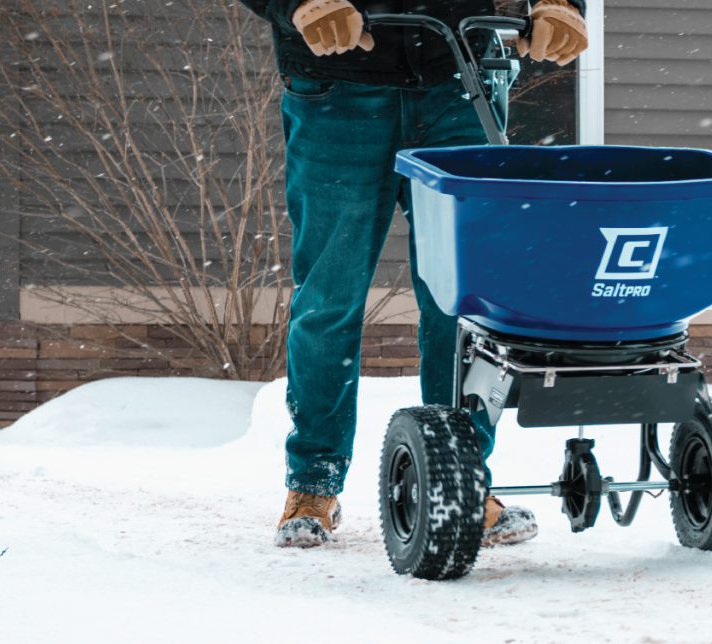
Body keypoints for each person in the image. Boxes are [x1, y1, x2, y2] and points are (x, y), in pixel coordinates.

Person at [235, 0, 589, 548]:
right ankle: (313, 484)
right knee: (330, 296)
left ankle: (460, 479)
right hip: (336, 88)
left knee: (464, 304)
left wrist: (557, 4)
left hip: (457, 82)